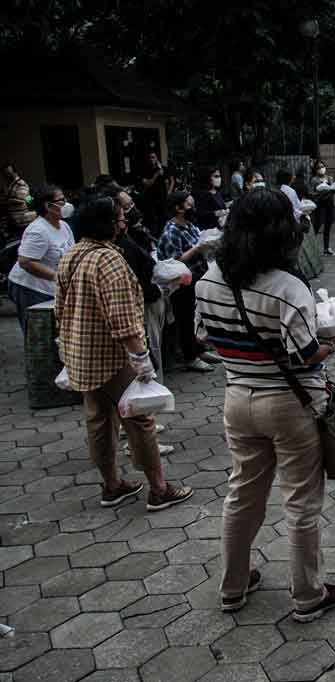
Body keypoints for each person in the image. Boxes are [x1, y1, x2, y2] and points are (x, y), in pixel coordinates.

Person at [195, 189, 335, 622]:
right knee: (301, 502)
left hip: (237, 400)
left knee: (242, 494)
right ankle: (307, 595)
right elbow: (305, 355)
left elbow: (204, 337)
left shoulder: (209, 278)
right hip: (289, 405)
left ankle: (234, 584)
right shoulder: (288, 288)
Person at [55, 195, 193, 511]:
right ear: (105, 224)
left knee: (98, 422)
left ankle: (112, 485)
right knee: (139, 420)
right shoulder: (109, 261)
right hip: (114, 357)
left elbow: (60, 309)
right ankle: (159, 489)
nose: (123, 223)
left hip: (82, 358)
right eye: (118, 218)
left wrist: (65, 348)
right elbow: (123, 319)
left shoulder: (70, 256)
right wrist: (141, 359)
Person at [106, 186, 166, 384]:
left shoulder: (134, 234)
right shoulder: (113, 250)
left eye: (131, 204)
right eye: (125, 208)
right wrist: (141, 358)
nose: (131, 210)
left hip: (149, 295)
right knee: (148, 345)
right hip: (139, 304)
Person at [158, 191, 218, 372]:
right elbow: (174, 261)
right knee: (185, 319)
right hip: (182, 282)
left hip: (198, 276)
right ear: (178, 208)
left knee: (196, 316)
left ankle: (199, 349)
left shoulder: (190, 225)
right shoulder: (171, 232)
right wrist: (197, 248)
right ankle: (190, 357)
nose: (192, 208)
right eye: (188, 204)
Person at [7, 184, 74, 334]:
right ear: (48, 206)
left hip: (49, 285)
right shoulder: (38, 230)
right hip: (29, 287)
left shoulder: (64, 226)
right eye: (61, 200)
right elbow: (25, 262)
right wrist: (55, 276)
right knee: (37, 332)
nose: (66, 204)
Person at [309, 160, 335, 255]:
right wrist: (319, 193)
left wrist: (334, 189)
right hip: (319, 204)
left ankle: (327, 249)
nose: (321, 169)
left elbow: (334, 189)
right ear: (315, 170)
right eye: (319, 167)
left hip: (329, 204)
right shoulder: (314, 180)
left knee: (328, 226)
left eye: (322, 166)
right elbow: (311, 193)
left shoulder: (330, 178)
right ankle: (311, 248)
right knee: (317, 226)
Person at [140, 152, 172, 237]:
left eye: (153, 157)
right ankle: (154, 236)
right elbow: (148, 183)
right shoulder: (145, 170)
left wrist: (169, 191)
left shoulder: (163, 168)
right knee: (152, 219)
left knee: (164, 217)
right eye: (150, 158)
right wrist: (157, 174)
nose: (152, 159)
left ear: (157, 158)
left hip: (162, 197)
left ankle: (164, 234)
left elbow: (170, 180)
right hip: (150, 197)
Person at [1, 161, 35, 234]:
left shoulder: (20, 183)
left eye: (10, 173)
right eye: (5, 174)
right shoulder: (9, 185)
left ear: (15, 172)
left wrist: (7, 201)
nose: (8, 175)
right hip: (16, 221)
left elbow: (22, 199)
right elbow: (28, 198)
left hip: (23, 220)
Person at [194, 167, 228, 231]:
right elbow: (200, 214)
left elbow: (221, 207)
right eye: (216, 176)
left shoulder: (217, 193)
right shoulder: (203, 194)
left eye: (219, 176)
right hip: (209, 232)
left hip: (220, 228)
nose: (219, 179)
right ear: (208, 178)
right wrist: (215, 213)